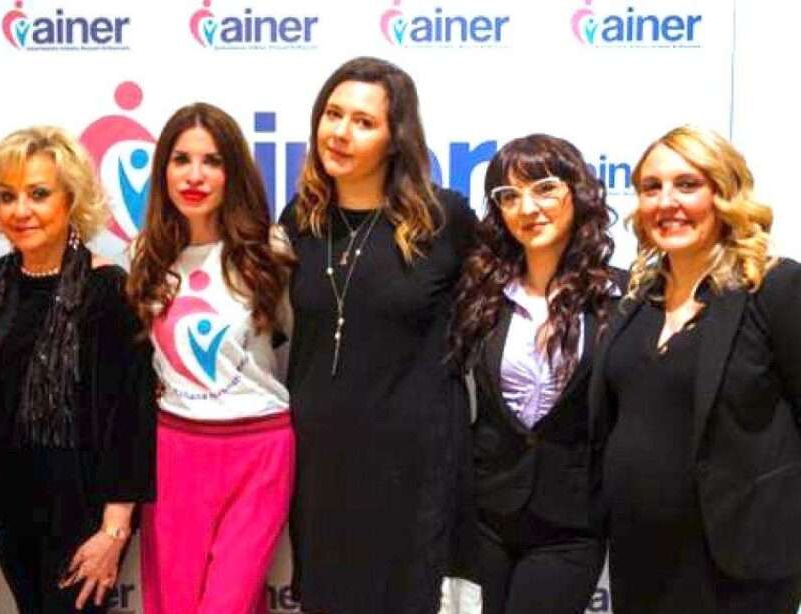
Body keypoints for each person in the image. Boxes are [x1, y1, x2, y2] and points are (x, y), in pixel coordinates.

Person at [278, 56, 478, 614]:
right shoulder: (300, 220)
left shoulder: (444, 219)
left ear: (396, 139)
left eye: (363, 122)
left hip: (413, 464)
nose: (340, 132)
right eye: (333, 114)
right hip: (321, 465)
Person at [590, 125, 801, 612]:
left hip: (738, 562)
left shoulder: (773, 288)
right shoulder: (637, 300)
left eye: (687, 185)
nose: (667, 202)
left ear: (724, 194)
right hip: (640, 556)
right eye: (651, 187)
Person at [0, 126, 156, 613]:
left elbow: (129, 419)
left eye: (38, 194)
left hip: (83, 518)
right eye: (7, 196)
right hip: (7, 509)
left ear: (71, 198)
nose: (21, 210)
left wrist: (114, 530)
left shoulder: (109, 292)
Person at [126, 102, 295, 614]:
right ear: (164, 170)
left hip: (259, 450)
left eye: (212, 161)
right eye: (181, 160)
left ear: (232, 172)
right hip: (175, 451)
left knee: (227, 603)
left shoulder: (268, 250)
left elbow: (294, 340)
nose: (194, 176)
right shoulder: (145, 254)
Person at [450, 135, 621, 613]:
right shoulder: (480, 295)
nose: (527, 208)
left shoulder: (619, 298)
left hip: (573, 521)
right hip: (486, 514)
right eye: (509, 195)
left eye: (545, 188)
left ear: (577, 192)